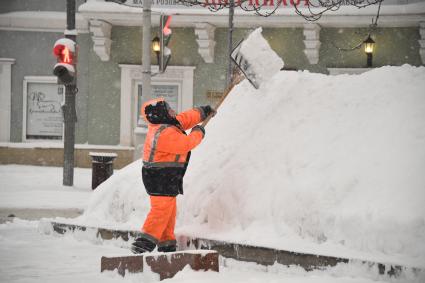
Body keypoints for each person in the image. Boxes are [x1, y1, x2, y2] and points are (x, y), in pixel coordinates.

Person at [131, 97, 215, 254]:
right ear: (161, 114)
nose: (172, 110)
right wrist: (198, 132)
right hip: (159, 178)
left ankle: (167, 245)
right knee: (161, 211)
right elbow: (186, 144)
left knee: (168, 212)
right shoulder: (163, 133)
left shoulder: (168, 124)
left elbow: (184, 119)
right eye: (168, 108)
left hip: (164, 177)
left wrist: (202, 112)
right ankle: (143, 244)